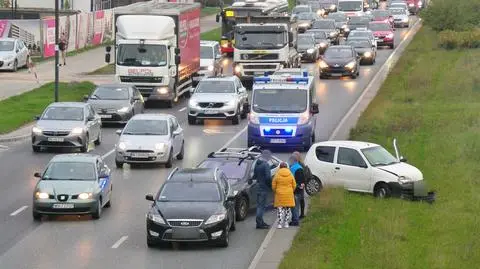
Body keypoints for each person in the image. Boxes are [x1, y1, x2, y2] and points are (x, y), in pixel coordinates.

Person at [250, 150, 273, 229]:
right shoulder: (265, 165)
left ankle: (260, 221)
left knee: (259, 205)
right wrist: (270, 185)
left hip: (258, 187)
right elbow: (268, 177)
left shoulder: (257, 164)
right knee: (261, 207)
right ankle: (259, 223)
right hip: (264, 188)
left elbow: (255, 176)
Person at [272, 162, 296, 229]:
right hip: (289, 194)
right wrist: (291, 191)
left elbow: (273, 185)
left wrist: (276, 191)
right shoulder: (290, 174)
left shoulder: (277, 175)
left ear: (280, 167)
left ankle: (279, 224)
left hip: (279, 194)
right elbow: (294, 185)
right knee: (288, 209)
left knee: (280, 209)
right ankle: (286, 223)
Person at [292, 151, 311, 219]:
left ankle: (297, 215)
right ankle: (302, 214)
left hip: (298, 183)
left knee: (297, 199)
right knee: (301, 199)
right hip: (301, 183)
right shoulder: (302, 164)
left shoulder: (297, 165)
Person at [288, 154, 305, 226]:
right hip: (298, 190)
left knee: (294, 206)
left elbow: (299, 181)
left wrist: (297, 188)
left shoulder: (295, 168)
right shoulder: (299, 168)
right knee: (295, 206)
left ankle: (295, 221)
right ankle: (294, 219)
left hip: (295, 191)